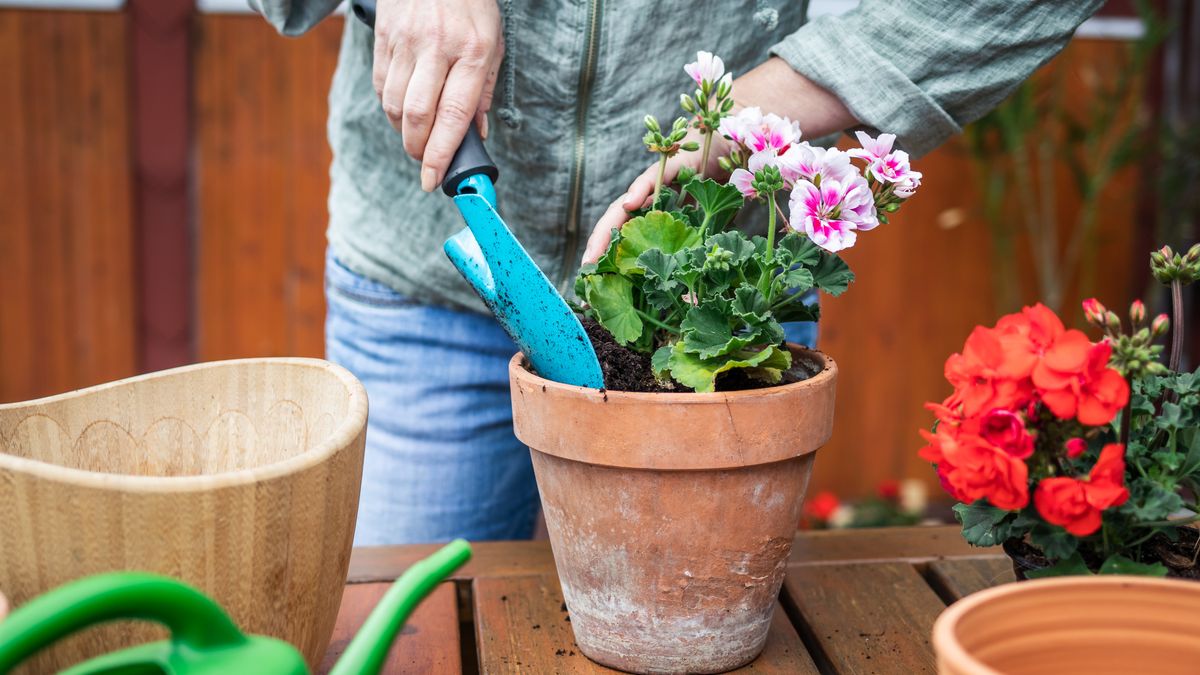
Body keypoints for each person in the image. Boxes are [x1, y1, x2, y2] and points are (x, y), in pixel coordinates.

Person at [251, 0, 1104, 545]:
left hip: (714, 286)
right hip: (427, 303)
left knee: (687, 627)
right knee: (421, 632)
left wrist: (798, 94)